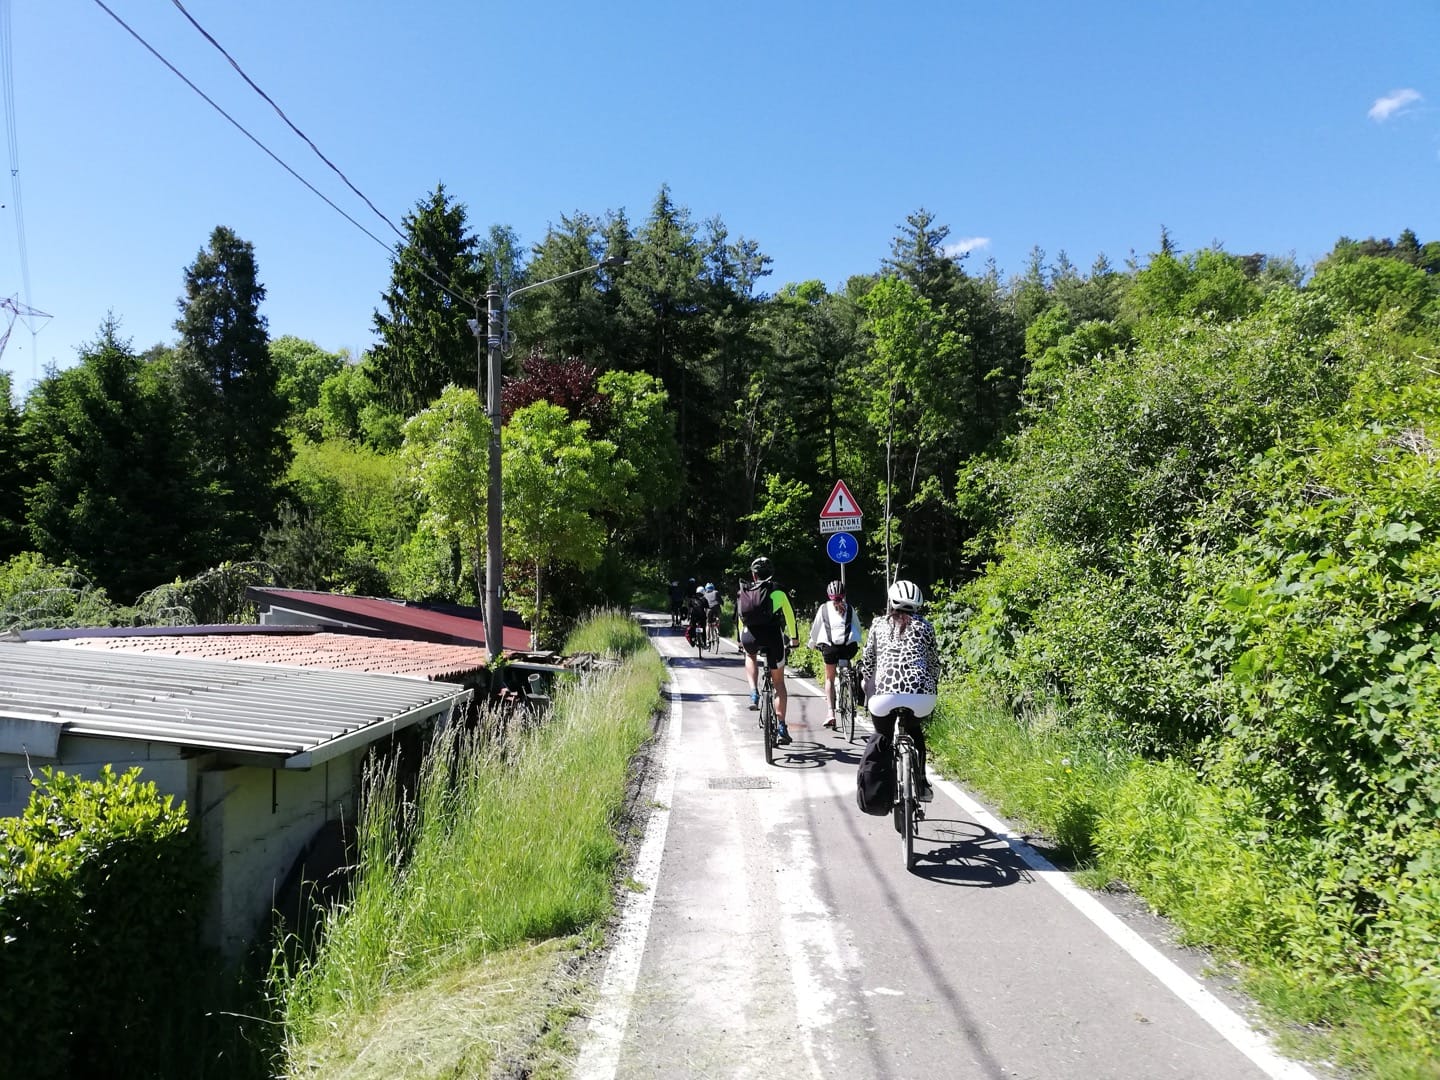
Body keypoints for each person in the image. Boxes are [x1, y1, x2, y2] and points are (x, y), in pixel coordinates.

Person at [860, 579, 940, 801]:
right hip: (921, 696)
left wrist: (866, 682)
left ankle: (882, 784)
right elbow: (934, 663)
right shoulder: (926, 626)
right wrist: (931, 685)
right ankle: (922, 782)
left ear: (891, 601)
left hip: (884, 696)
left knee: (883, 735)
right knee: (915, 733)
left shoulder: (878, 624)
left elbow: (868, 660)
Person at [737, 556, 799, 744]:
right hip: (772, 637)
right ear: (770, 574)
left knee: (750, 655)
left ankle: (754, 691)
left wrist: (741, 639)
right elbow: (790, 616)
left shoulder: (743, 591)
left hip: (750, 636)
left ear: (753, 575)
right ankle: (781, 727)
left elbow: (740, 618)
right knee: (779, 684)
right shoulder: (777, 591)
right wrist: (794, 639)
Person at [807, 579, 862, 730]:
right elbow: (858, 628)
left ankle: (830, 713)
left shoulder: (824, 608)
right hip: (848, 648)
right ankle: (849, 687)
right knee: (846, 664)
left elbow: (815, 629)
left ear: (829, 595)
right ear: (844, 594)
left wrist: (811, 644)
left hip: (830, 648)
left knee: (829, 679)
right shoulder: (850, 608)